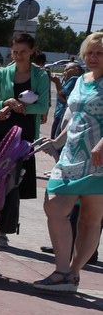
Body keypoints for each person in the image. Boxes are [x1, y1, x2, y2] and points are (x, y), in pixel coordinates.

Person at [34, 33, 103, 293]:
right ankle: (63, 270)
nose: (93, 58)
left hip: (99, 158)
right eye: (89, 52)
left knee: (90, 219)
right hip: (71, 154)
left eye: (99, 53)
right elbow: (75, 117)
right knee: (54, 206)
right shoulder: (82, 80)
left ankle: (71, 274)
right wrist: (56, 141)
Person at [0, 32, 49, 244]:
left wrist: (25, 107)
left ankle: (3, 230)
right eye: (15, 52)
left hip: (23, 138)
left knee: (13, 184)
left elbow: (43, 106)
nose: (18, 56)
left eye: (23, 52)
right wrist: (5, 102)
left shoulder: (40, 76)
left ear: (32, 51)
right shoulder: (2, 74)